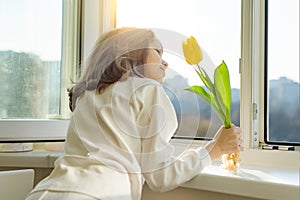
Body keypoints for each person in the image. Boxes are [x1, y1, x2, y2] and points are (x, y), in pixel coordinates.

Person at [25, 27, 242, 200]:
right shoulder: (148, 89)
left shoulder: (87, 95)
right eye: (157, 52)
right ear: (129, 56)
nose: (165, 63)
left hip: (45, 190)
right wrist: (213, 150)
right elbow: (160, 175)